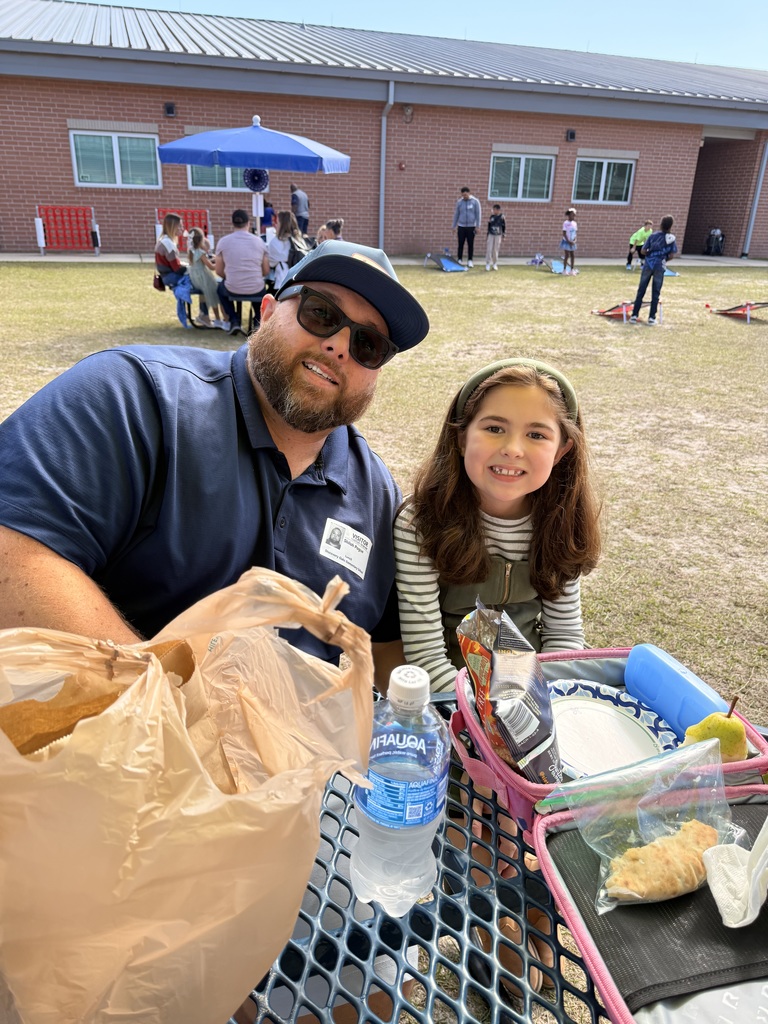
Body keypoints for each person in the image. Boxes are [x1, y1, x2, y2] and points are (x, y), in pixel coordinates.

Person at [0, 240, 430, 694]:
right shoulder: (132, 397)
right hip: (120, 746)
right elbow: (13, 553)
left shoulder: (377, 495)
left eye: (368, 344)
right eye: (321, 313)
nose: (339, 346)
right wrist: (175, 708)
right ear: (267, 311)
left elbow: (385, 648)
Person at [394, 358, 601, 692]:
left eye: (536, 434)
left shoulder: (560, 523)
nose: (512, 449)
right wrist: (488, 719)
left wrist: (541, 706)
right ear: (461, 437)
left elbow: (564, 640)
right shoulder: (419, 521)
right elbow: (426, 656)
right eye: (494, 428)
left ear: (562, 451)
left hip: (532, 687)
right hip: (446, 693)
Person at [215, 209, 270, 336]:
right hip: (255, 286)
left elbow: (218, 270)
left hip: (232, 286)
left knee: (220, 289)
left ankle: (234, 320)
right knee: (260, 290)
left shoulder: (223, 242)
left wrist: (230, 277)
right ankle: (257, 321)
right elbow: (266, 270)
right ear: (248, 223)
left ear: (233, 223)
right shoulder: (259, 242)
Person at [630, 215, 678, 325]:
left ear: (661, 224)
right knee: (656, 292)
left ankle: (634, 315)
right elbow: (671, 255)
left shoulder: (653, 236)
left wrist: (650, 255)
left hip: (648, 265)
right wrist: (663, 259)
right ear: (671, 226)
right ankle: (652, 318)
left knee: (641, 290)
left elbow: (643, 250)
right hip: (660, 267)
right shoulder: (671, 238)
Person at [187, 226, 228, 329]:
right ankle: (221, 319)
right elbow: (212, 267)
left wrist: (213, 259)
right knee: (215, 295)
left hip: (195, 278)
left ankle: (215, 318)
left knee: (212, 295)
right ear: (201, 240)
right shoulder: (201, 253)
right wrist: (219, 261)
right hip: (203, 277)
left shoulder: (191, 251)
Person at [267, 211, 308, 291]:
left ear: (282, 225)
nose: (275, 225)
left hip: (282, 282)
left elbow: (271, 263)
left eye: (277, 222)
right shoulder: (300, 240)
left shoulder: (275, 242)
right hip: (300, 282)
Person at [452, 187, 482, 267]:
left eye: (465, 195)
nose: (464, 197)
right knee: (460, 243)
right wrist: (454, 226)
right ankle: (459, 259)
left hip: (471, 226)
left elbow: (478, 214)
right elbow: (456, 214)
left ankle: (470, 260)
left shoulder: (475, 202)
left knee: (470, 244)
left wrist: (478, 226)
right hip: (461, 226)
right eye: (463, 195)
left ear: (469, 193)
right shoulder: (459, 202)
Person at [154, 213, 186, 288]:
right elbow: (177, 269)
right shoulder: (168, 244)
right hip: (171, 277)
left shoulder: (162, 240)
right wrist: (192, 268)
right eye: (180, 226)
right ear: (173, 227)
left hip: (166, 276)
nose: (182, 229)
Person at [485, 203, 506, 271]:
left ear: (498, 210)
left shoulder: (502, 217)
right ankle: (488, 263)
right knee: (489, 249)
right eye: (493, 209)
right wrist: (487, 234)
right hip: (491, 234)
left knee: (495, 249)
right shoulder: (491, 217)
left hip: (498, 234)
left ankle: (494, 263)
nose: (493, 211)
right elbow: (489, 226)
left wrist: (504, 234)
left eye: (495, 210)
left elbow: (503, 226)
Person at [560, 208, 578, 275]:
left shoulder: (575, 223)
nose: (573, 216)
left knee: (572, 255)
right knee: (567, 255)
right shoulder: (565, 223)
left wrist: (574, 240)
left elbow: (575, 233)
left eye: (574, 215)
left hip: (572, 242)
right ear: (569, 215)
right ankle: (564, 270)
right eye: (572, 215)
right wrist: (568, 241)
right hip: (566, 242)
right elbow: (564, 233)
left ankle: (572, 270)